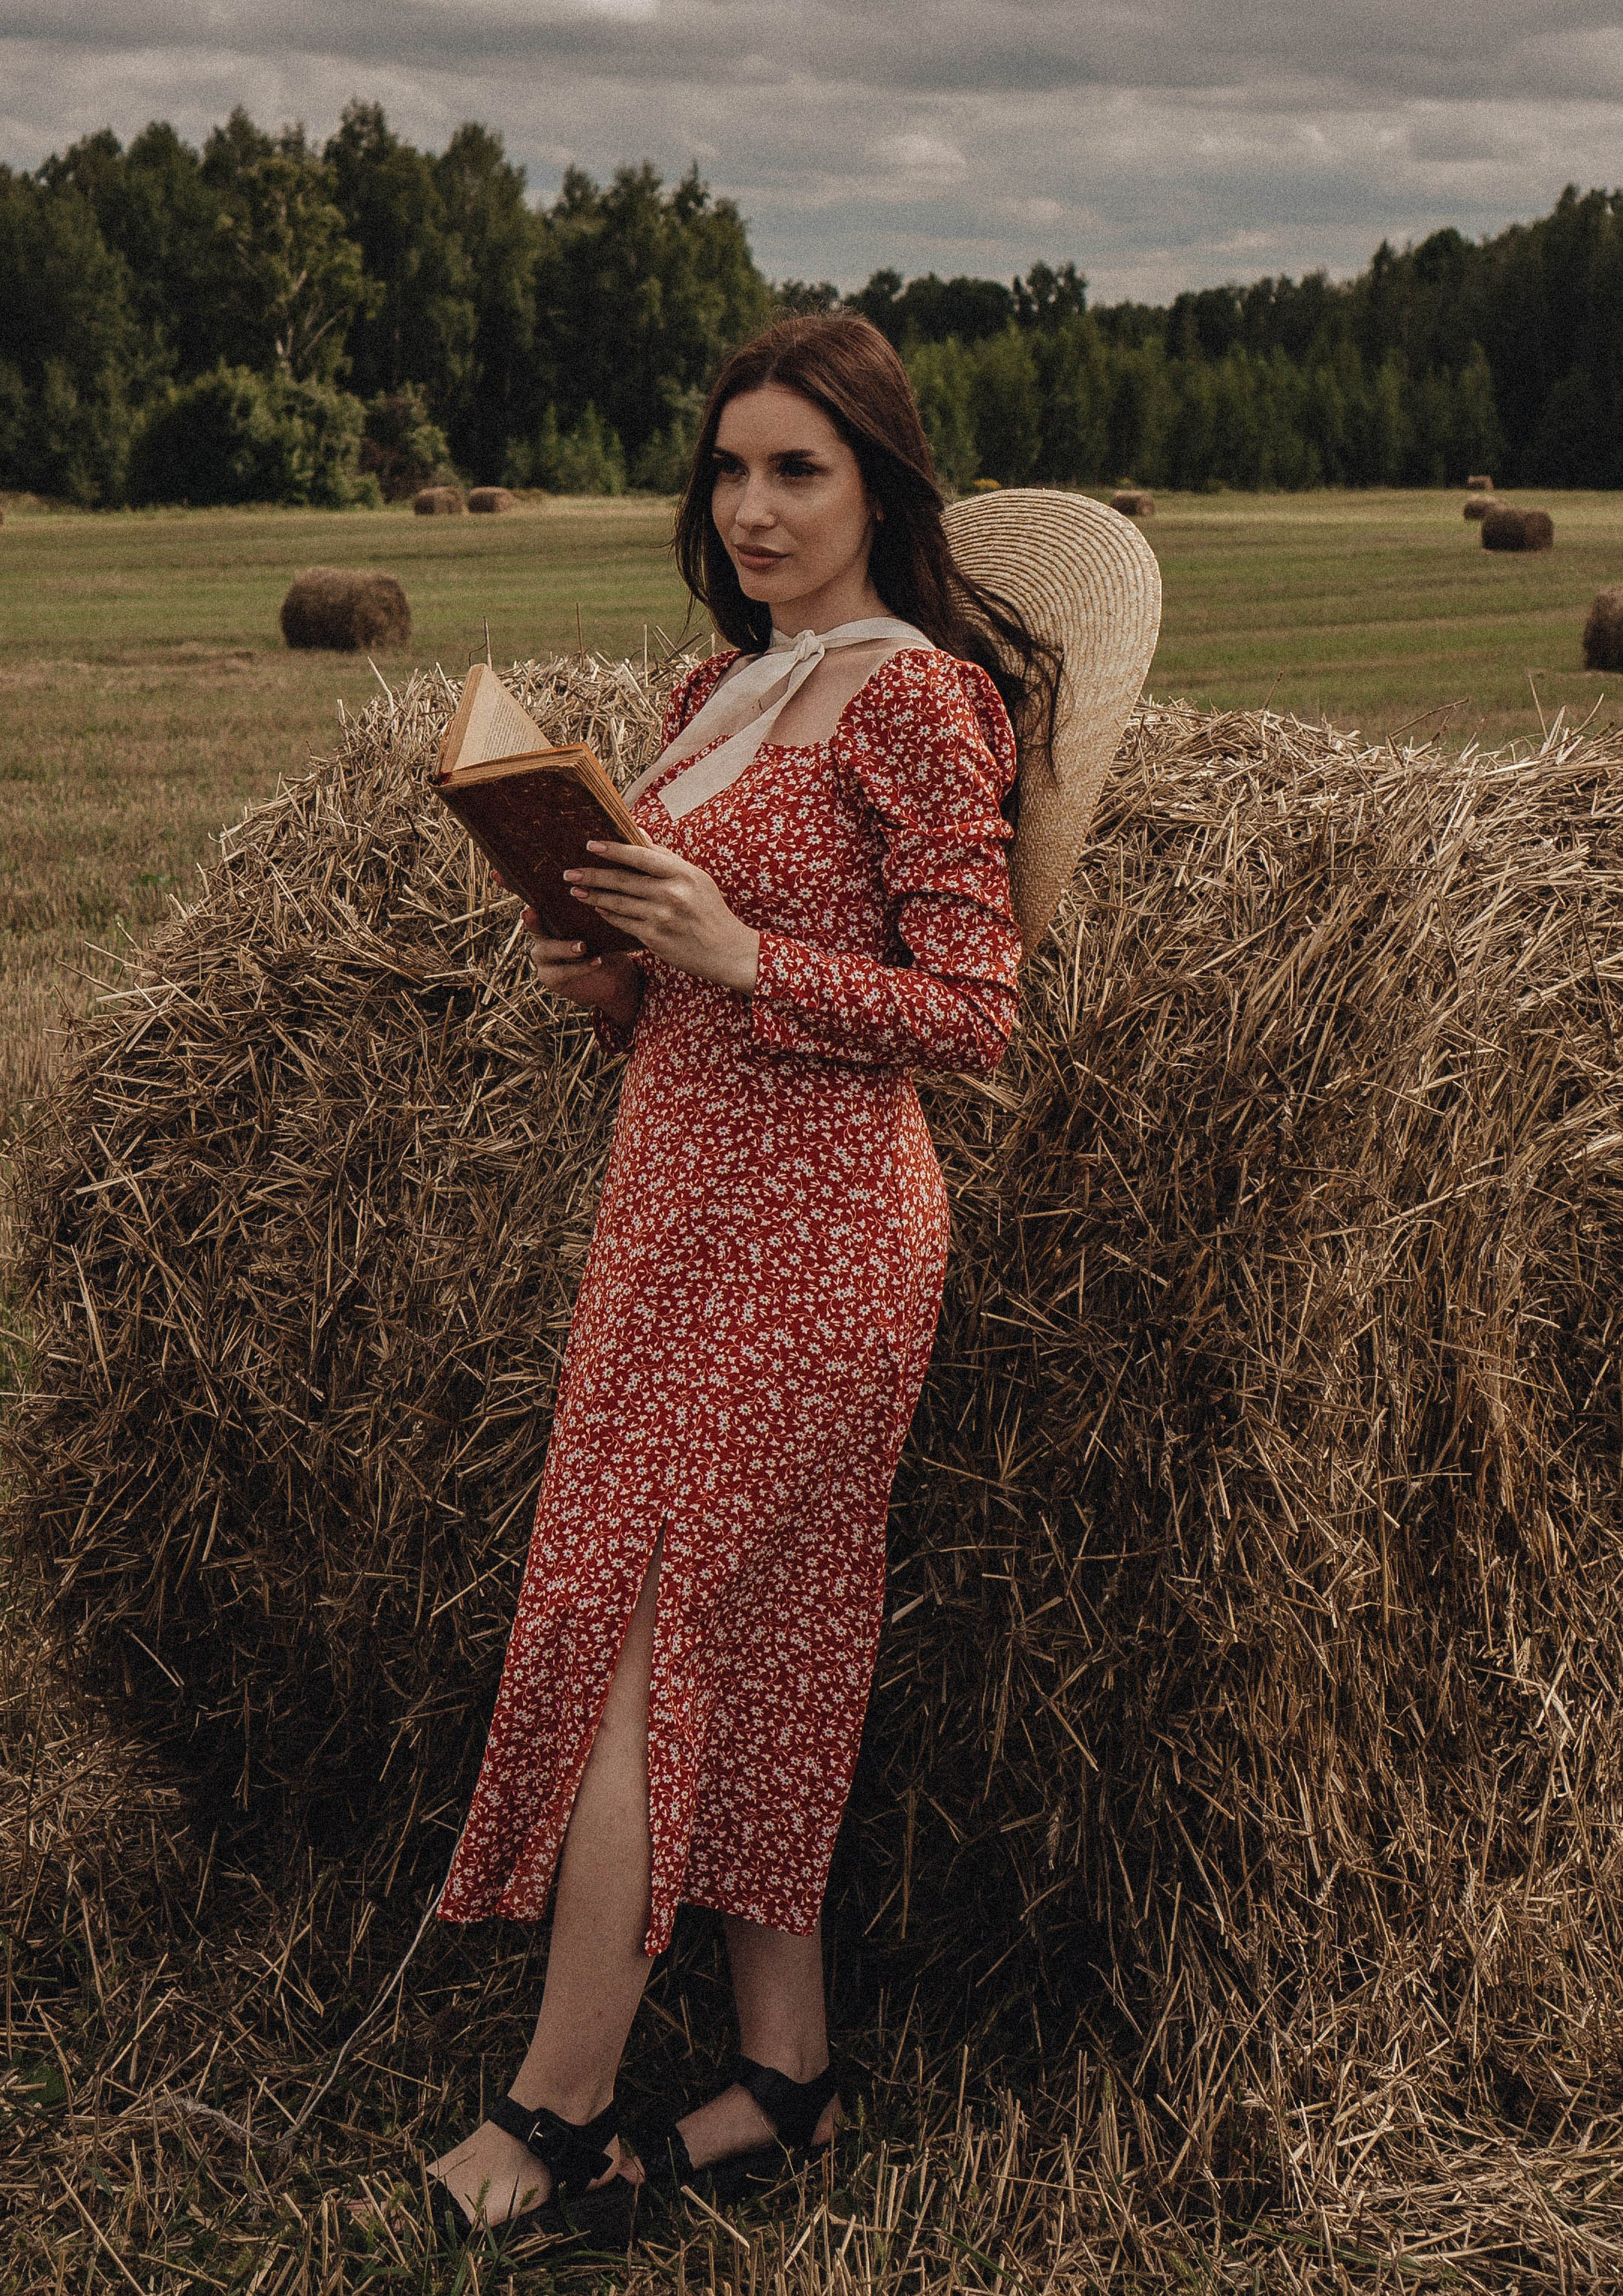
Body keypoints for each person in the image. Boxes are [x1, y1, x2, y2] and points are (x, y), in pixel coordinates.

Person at [427, 311, 1061, 2246]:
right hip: (673, 1205)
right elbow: (663, 1011)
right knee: (763, 1636)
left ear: (877, 481)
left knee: (639, 1631)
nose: (756, 505)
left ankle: (552, 2117)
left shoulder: (918, 704)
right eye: (730, 469)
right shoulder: (720, 688)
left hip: (824, 1230)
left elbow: (974, 1012)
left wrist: (736, 952)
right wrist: (597, 954)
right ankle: (782, 2073)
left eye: (798, 468)